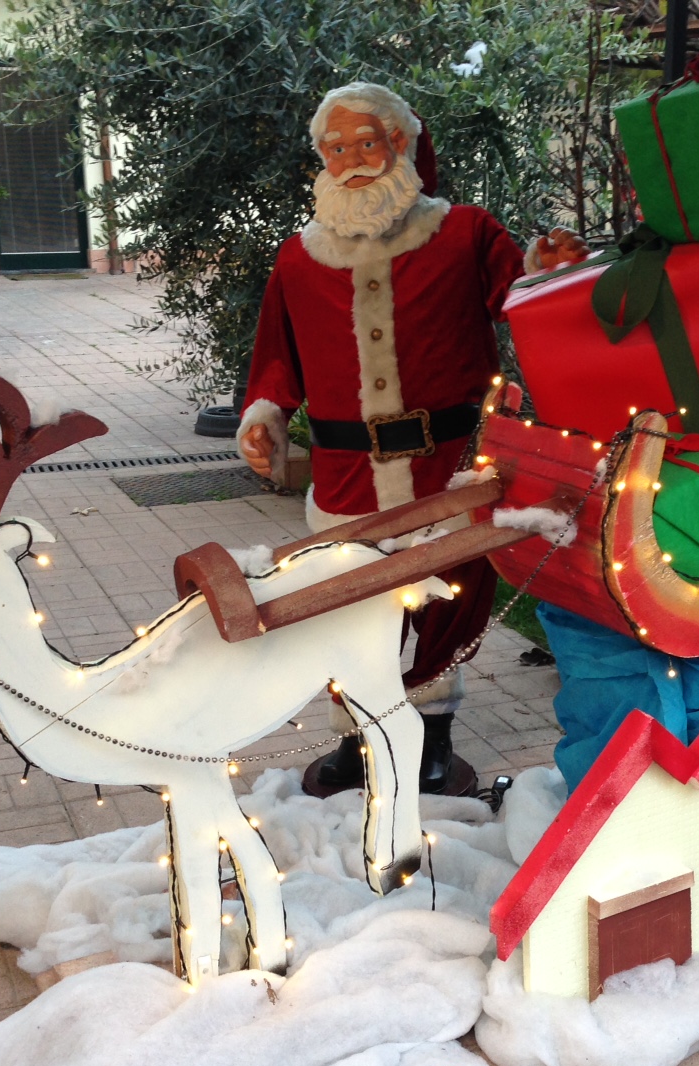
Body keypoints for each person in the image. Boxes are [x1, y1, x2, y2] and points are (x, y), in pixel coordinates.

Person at [238, 81, 586, 793]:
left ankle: (431, 732)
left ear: (400, 143)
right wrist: (263, 417)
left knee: (447, 600)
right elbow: (277, 357)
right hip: (347, 475)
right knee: (347, 601)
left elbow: (521, 299)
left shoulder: (465, 233)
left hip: (449, 466)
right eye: (335, 148)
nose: (350, 160)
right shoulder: (299, 258)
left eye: (366, 142)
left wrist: (549, 274)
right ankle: (353, 738)